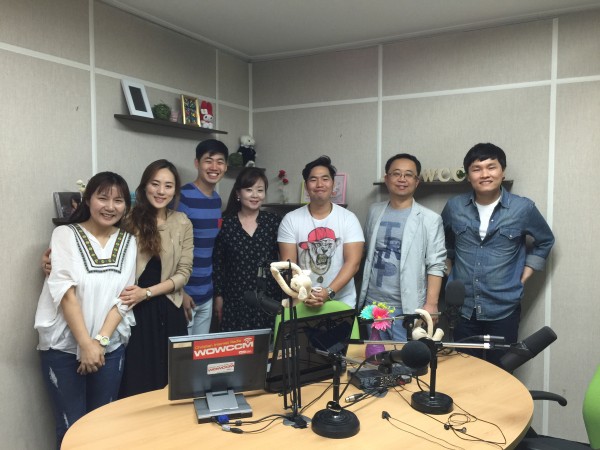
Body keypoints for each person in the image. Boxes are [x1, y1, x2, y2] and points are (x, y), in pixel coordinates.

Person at [34, 172, 137, 447]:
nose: (110, 206)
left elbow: (124, 298)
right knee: (71, 429)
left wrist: (99, 343)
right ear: (88, 200)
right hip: (64, 347)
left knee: (104, 428)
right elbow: (65, 293)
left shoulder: (129, 242)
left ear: (126, 206)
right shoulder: (64, 234)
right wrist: (85, 344)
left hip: (109, 347)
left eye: (118, 200)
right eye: (102, 198)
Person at [441, 143, 555, 367]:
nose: (485, 174)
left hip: (504, 307)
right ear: (468, 176)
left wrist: (525, 274)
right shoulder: (454, 207)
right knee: (463, 371)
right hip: (463, 309)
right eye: (477, 169)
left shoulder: (523, 208)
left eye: (491, 167)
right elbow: (441, 241)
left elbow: (545, 240)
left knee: (501, 371)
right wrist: (449, 268)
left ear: (502, 172)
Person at [118, 159, 194, 397]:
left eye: (168, 186)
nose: (161, 191)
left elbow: (183, 273)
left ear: (175, 190)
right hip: (136, 310)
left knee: (174, 381)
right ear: (144, 186)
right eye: (155, 184)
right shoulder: (128, 220)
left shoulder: (182, 221)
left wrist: (147, 292)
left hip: (170, 307)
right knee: (138, 379)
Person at [359, 153, 447, 341]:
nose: (402, 179)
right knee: (375, 355)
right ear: (386, 178)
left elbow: (436, 264)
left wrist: (431, 304)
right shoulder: (374, 211)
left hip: (407, 305)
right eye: (396, 173)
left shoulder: (430, 219)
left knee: (406, 357)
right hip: (373, 303)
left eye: (408, 175)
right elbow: (367, 252)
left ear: (417, 181)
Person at [278, 156, 364, 308]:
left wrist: (329, 292)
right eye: (313, 179)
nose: (319, 184)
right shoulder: (290, 219)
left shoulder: (348, 219)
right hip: (302, 300)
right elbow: (289, 265)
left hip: (341, 301)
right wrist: (305, 292)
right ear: (306, 185)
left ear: (333, 184)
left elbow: (353, 263)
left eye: (325, 179)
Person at [213, 167, 281, 331]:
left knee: (268, 344)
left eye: (260, 190)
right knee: (236, 344)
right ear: (238, 193)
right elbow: (218, 263)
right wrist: (219, 296)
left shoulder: (274, 222)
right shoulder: (225, 223)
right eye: (249, 190)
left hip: (268, 298)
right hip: (235, 298)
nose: (255, 195)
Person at [178, 139, 228, 335]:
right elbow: (170, 249)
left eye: (220, 162)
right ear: (197, 163)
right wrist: (179, 291)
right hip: (184, 295)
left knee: (200, 351)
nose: (214, 167)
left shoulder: (217, 201)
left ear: (225, 167)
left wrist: (215, 293)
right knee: (182, 352)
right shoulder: (182, 197)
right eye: (208, 160)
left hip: (206, 293)